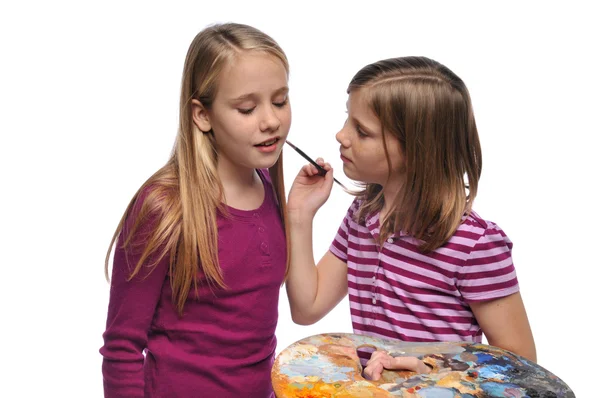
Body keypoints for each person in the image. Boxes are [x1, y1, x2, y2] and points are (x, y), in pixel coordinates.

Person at [286, 56, 536, 381]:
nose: (341, 135)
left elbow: (521, 368)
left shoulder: (474, 245)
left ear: (417, 151)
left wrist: (431, 372)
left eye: (362, 131)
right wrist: (300, 215)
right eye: (348, 119)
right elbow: (308, 307)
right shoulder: (363, 216)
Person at [99, 22, 291, 397]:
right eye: (247, 108)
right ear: (202, 115)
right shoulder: (164, 207)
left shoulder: (268, 188)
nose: (271, 120)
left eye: (281, 101)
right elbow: (121, 350)